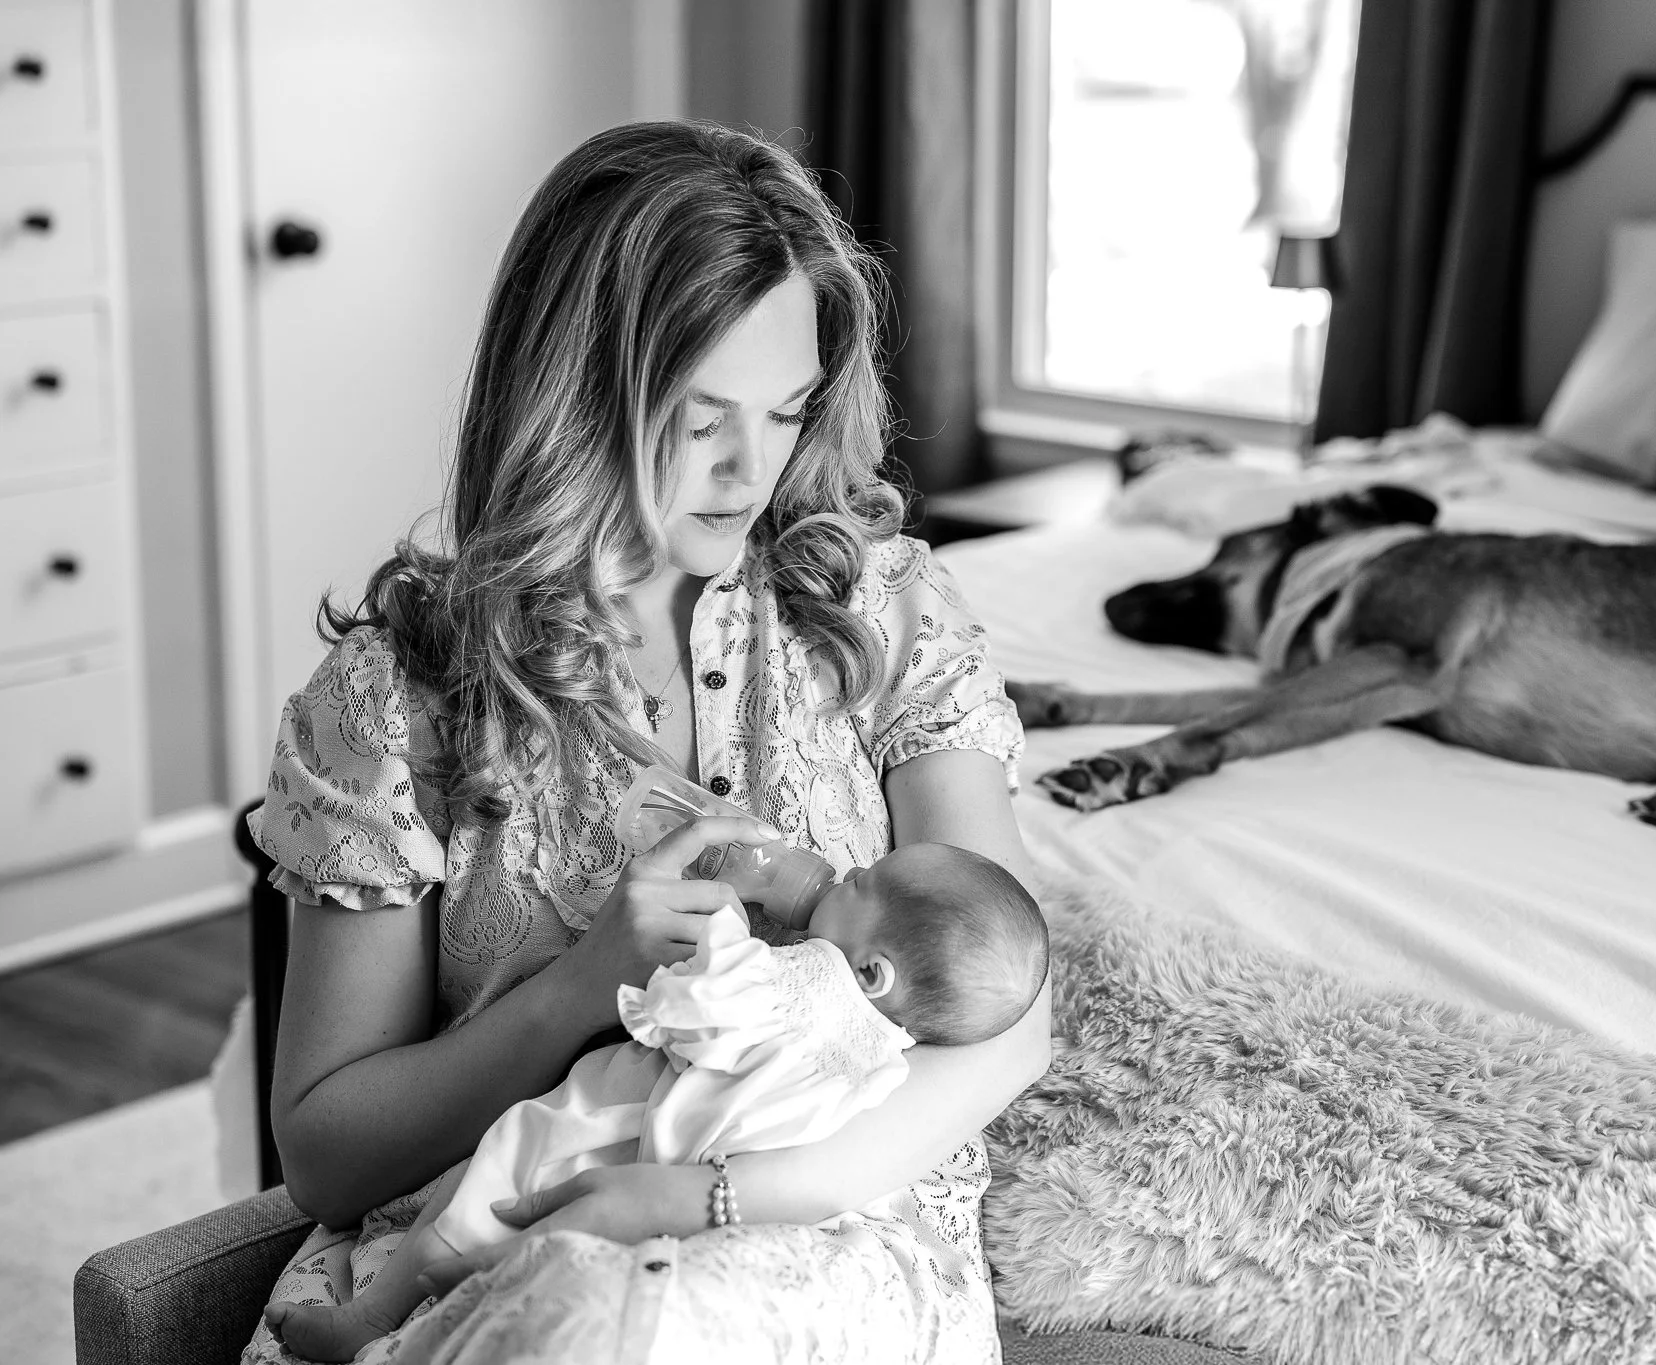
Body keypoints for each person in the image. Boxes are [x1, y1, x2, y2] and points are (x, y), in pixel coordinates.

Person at [242, 119, 1047, 1365]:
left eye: (785, 411)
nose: (750, 469)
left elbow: (1009, 1018)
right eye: (697, 417)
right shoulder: (401, 691)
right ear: (574, 399)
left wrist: (700, 1200)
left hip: (830, 1245)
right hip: (483, 1251)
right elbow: (325, 1154)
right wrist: (580, 985)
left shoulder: (882, 615)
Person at [265, 842, 1050, 1362]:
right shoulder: (882, 1051)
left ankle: (380, 1321)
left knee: (496, 1178)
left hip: (637, 1142)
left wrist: (726, 916)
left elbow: (708, 1000)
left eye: (863, 883)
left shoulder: (814, 981)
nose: (844, 871)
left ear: (873, 973)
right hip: (758, 1214)